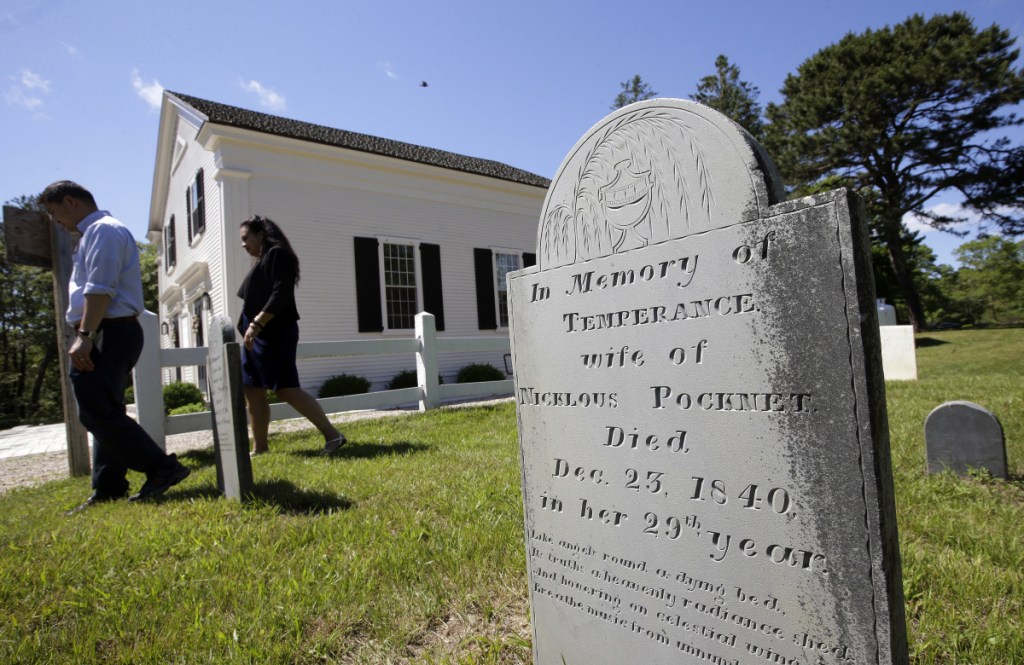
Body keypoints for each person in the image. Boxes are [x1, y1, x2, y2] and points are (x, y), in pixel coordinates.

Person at [40, 181, 190, 512]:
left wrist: (86, 335)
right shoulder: (93, 234)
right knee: (105, 409)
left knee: (95, 411)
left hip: (107, 329)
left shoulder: (103, 231)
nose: (55, 220)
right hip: (109, 329)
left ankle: (162, 467)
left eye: (54, 212)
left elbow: (100, 289)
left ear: (70, 201)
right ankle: (108, 486)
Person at [237, 215, 346, 456]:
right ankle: (260, 448)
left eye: (246, 238)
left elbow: (281, 294)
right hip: (255, 337)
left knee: (285, 387)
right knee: (252, 388)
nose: (243, 244)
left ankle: (333, 435)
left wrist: (256, 324)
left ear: (261, 234)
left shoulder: (278, 254)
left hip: (274, 332)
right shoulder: (262, 260)